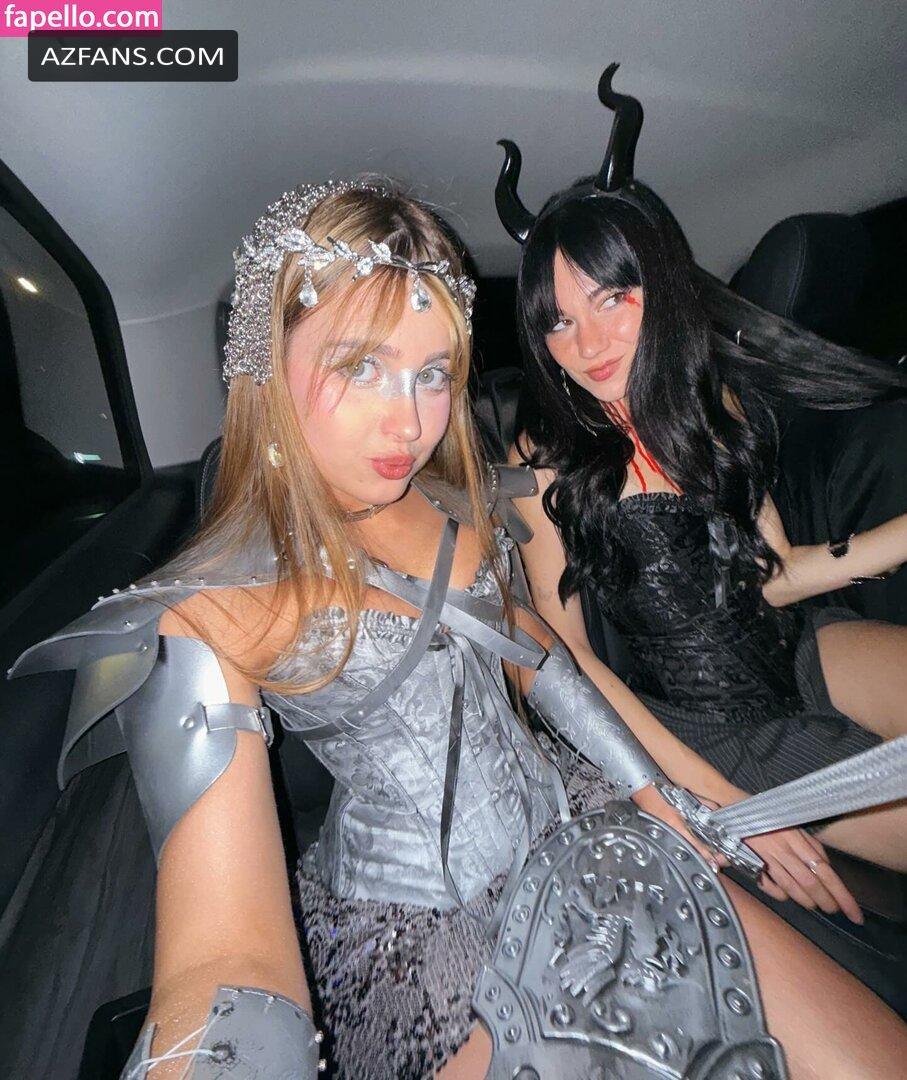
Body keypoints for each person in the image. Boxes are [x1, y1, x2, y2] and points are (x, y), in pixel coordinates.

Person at [8, 178, 907, 1080]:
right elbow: (222, 960)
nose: (408, 421)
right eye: (360, 367)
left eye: (433, 373)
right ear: (266, 367)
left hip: (595, 821)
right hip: (421, 943)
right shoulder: (204, 613)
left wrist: (659, 792)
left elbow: (538, 654)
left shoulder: (457, 507)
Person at [496, 65, 907, 874]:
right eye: (558, 322)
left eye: (610, 299)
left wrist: (896, 537)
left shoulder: (713, 404)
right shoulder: (542, 463)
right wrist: (704, 799)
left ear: (657, 287)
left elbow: (773, 576)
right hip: (709, 726)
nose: (587, 343)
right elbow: (565, 661)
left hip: (799, 648)